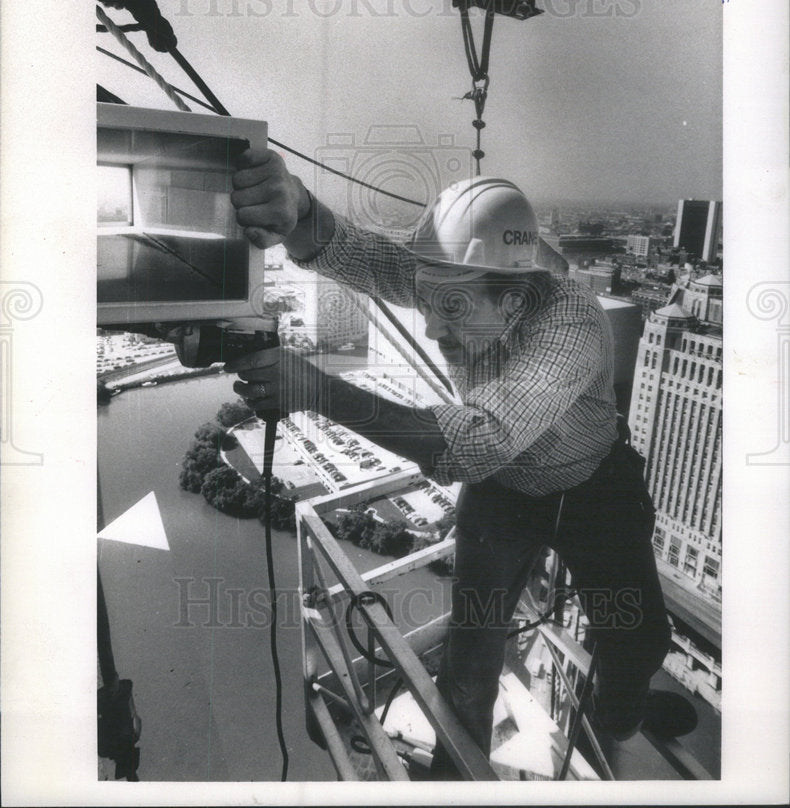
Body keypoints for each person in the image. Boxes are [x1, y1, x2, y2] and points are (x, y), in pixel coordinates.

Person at [227, 150, 696, 779]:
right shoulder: (462, 278)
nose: (432, 330)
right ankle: (456, 780)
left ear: (514, 302)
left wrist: (316, 390)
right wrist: (298, 211)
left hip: (594, 489)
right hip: (506, 492)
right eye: (429, 303)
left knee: (636, 638)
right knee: (470, 656)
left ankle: (622, 714)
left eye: (450, 310)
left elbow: (478, 442)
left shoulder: (571, 323)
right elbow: (369, 258)